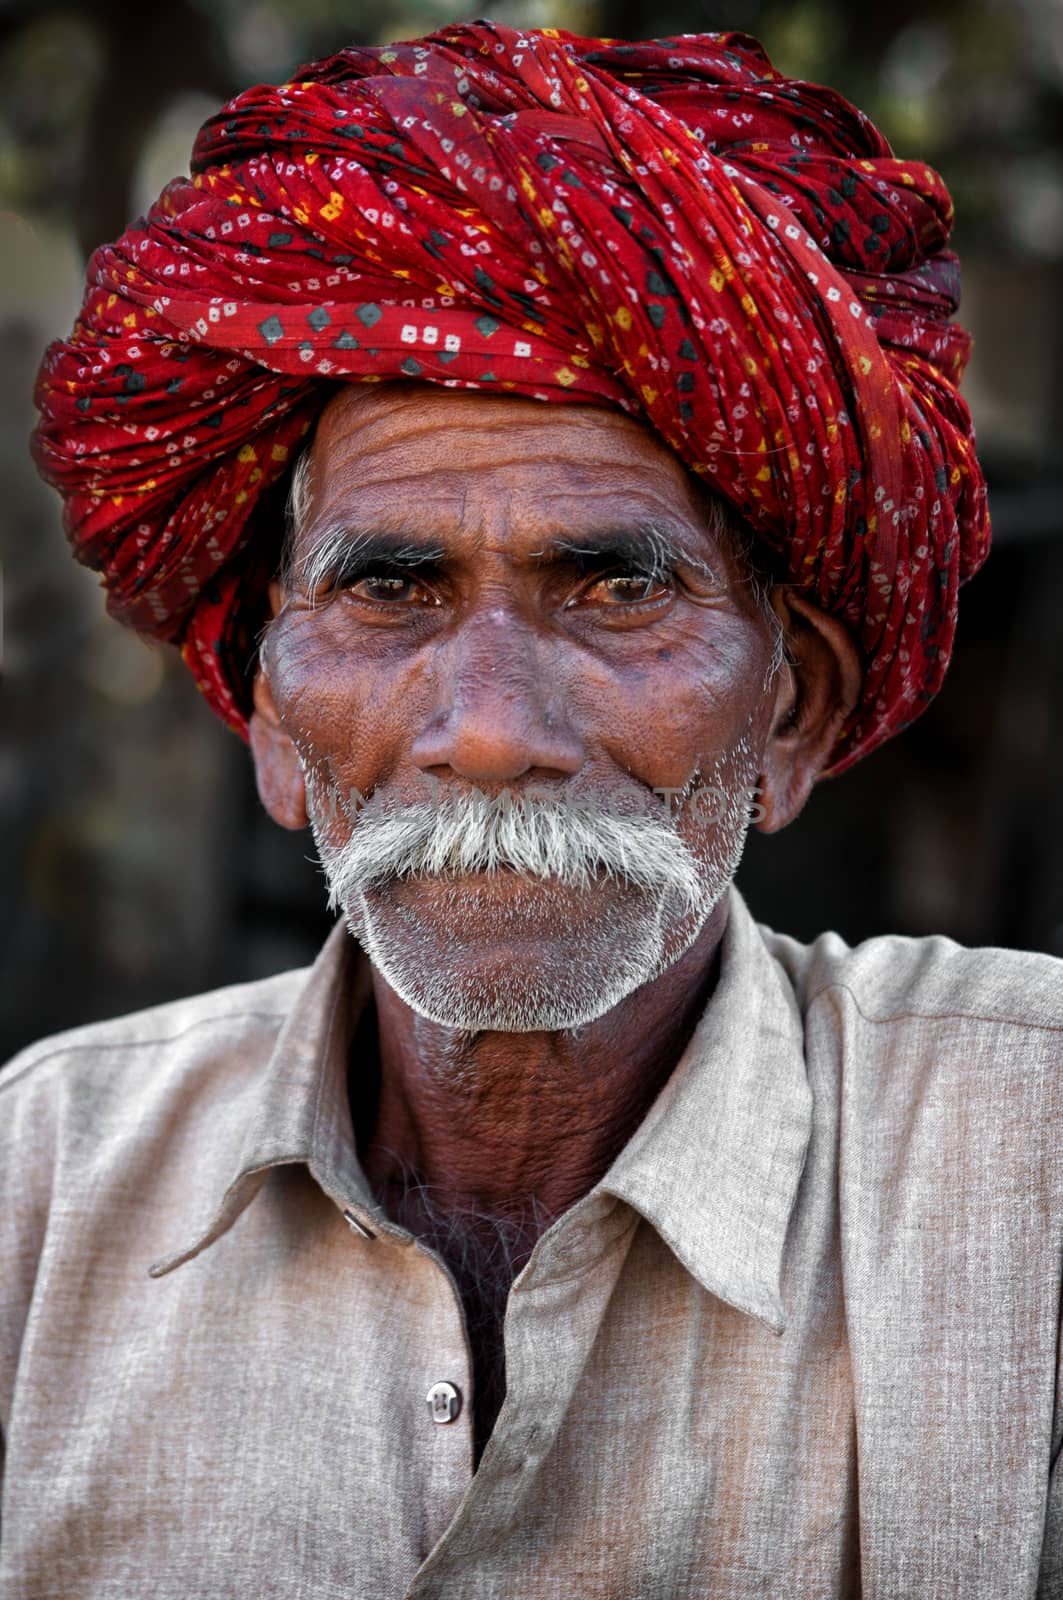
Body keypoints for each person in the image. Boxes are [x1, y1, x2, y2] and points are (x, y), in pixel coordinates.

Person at [3, 22, 1061, 1599]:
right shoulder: (35, 1195)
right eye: (391, 586)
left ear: (791, 717)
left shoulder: (1029, 1168)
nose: (491, 733)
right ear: (274, 726)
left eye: (619, 585)